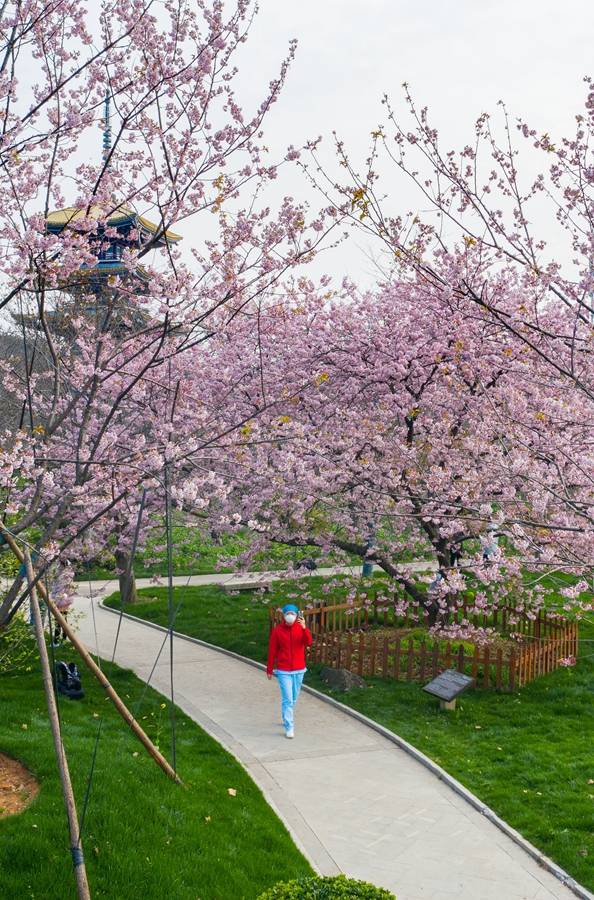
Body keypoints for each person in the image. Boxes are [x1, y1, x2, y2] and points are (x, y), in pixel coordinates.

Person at [267, 603, 312, 739]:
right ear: (283, 616)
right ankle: (289, 726)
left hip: (299, 670)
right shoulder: (277, 631)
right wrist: (269, 668)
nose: (290, 616)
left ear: (297, 615)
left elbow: (308, 642)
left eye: (293, 614)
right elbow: (272, 650)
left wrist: (304, 628)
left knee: (293, 699)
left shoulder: (300, 628)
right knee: (287, 699)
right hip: (283, 670)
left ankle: (285, 716)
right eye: (287, 614)